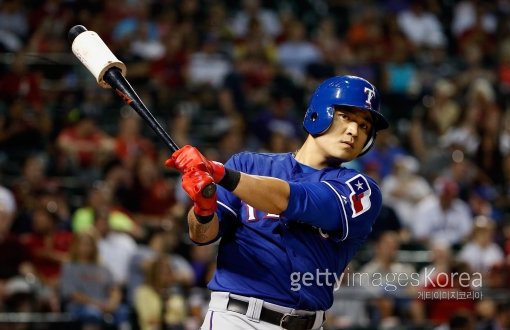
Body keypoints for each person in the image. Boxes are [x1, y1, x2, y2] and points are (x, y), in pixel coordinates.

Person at [165, 75, 389, 330]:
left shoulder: (360, 189)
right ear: (319, 112)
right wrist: (203, 209)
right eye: (347, 116)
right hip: (236, 319)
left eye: (364, 126)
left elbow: (294, 200)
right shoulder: (248, 165)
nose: (354, 131)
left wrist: (218, 173)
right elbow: (202, 236)